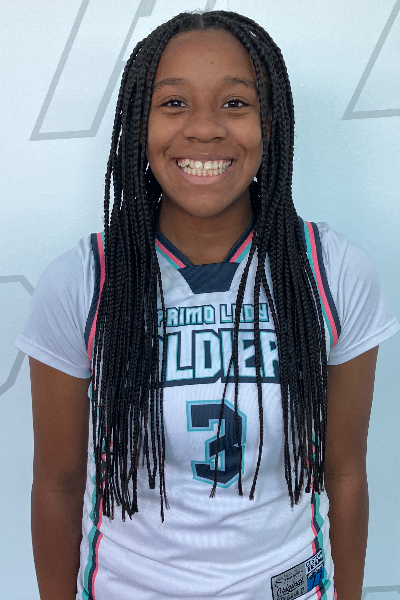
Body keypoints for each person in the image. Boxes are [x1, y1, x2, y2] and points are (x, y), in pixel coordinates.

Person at [15, 10, 399, 600]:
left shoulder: (332, 273)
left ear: (271, 123)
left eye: (235, 103)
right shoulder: (84, 281)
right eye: (173, 103)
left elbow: (344, 475)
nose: (204, 129)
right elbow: (58, 485)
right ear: (138, 124)